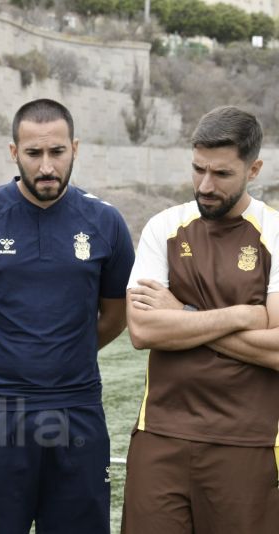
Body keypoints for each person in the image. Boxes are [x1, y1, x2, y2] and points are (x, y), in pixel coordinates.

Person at [0, 98, 135, 534]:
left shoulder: (106, 222)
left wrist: (68, 351)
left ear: (75, 149)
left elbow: (115, 314)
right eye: (34, 153)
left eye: (57, 152)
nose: (47, 166)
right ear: (13, 153)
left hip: (77, 407)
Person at [123, 106, 279, 533]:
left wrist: (183, 316)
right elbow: (142, 329)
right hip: (161, 434)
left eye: (222, 174)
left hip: (248, 439)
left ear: (254, 169)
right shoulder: (164, 227)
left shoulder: (275, 232)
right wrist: (242, 316)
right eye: (198, 170)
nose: (205, 186)